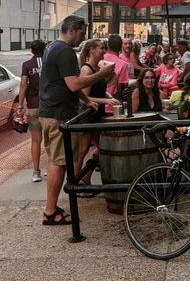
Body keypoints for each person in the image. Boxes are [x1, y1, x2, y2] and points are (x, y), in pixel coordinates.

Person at [39, 15, 114, 226]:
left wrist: (86, 99)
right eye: (82, 33)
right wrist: (102, 74)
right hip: (58, 114)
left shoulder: (52, 47)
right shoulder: (64, 51)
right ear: (72, 30)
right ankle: (50, 212)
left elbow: (67, 84)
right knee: (58, 163)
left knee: (59, 161)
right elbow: (73, 84)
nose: (82, 38)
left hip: (50, 113)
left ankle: (52, 208)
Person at [74, 39, 120, 187]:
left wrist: (110, 97)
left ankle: (85, 178)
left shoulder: (97, 67)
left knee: (101, 147)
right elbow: (84, 99)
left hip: (96, 115)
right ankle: (76, 182)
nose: (104, 51)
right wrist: (106, 101)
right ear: (92, 50)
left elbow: (101, 88)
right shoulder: (86, 69)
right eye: (101, 48)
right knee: (82, 151)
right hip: (87, 116)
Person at [18, 39, 46, 182]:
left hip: (34, 107)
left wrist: (20, 105)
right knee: (51, 139)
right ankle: (53, 167)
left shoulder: (27, 65)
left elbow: (23, 85)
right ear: (45, 49)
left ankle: (36, 172)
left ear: (32, 51)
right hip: (49, 108)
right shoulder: (49, 63)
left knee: (36, 140)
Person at [104, 34, 129, 102]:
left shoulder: (100, 59)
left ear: (108, 46)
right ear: (121, 46)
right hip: (113, 104)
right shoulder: (123, 64)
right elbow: (122, 87)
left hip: (97, 103)